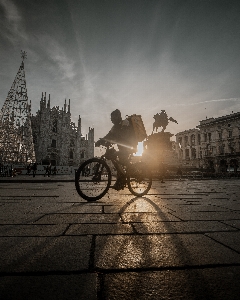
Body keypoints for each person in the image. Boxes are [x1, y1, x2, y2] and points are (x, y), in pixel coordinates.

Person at [95, 109, 137, 190]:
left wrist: (111, 141)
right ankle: (121, 181)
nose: (111, 119)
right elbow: (109, 135)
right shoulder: (115, 126)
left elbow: (123, 135)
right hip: (122, 148)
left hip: (130, 147)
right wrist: (101, 141)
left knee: (116, 157)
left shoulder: (125, 123)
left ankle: (128, 175)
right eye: (111, 118)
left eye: (113, 117)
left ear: (118, 116)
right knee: (115, 159)